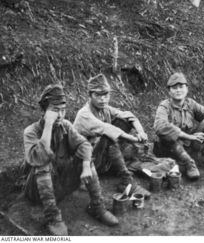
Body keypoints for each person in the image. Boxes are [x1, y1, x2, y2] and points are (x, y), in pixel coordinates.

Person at [23, 84, 118, 236]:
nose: (60, 115)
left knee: (85, 156)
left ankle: (97, 207)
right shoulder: (31, 132)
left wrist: (86, 165)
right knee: (43, 164)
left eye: (63, 110)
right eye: (55, 110)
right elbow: (39, 158)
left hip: (62, 185)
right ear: (45, 111)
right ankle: (52, 217)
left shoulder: (65, 126)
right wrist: (48, 124)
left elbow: (84, 144)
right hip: (38, 191)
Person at [73, 73, 151, 198]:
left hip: (98, 156)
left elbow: (129, 115)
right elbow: (108, 129)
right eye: (97, 95)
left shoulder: (105, 109)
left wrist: (141, 132)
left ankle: (116, 165)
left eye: (106, 95)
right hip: (83, 163)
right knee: (109, 136)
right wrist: (134, 139)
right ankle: (126, 180)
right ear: (89, 95)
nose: (102, 99)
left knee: (123, 121)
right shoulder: (84, 114)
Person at [153, 72, 204, 180]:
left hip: (189, 147)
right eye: (174, 88)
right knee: (170, 134)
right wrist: (189, 137)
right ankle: (188, 163)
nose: (178, 90)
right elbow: (160, 126)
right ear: (169, 91)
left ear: (186, 89)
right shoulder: (165, 106)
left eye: (181, 87)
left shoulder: (190, 103)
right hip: (169, 150)